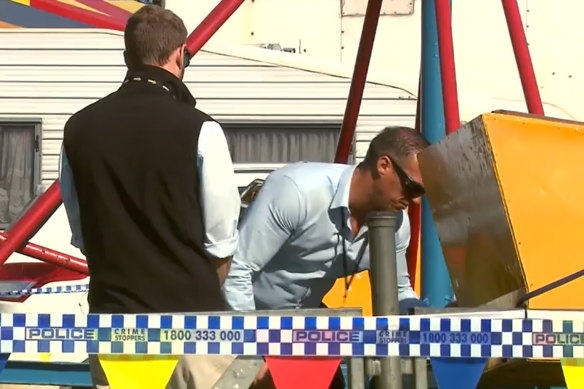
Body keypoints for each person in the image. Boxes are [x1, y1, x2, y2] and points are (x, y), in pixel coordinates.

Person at [59, 5, 240, 389]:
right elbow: (222, 240)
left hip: (114, 324)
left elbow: (82, 235)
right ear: (181, 54)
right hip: (194, 325)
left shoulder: (78, 129)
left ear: (127, 58)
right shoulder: (201, 129)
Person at [224, 126, 428, 388]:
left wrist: (440, 320)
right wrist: (249, 355)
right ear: (383, 165)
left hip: (303, 326)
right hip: (243, 321)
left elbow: (398, 295)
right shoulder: (298, 191)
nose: (416, 202)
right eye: (412, 188)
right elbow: (237, 269)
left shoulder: (396, 224)